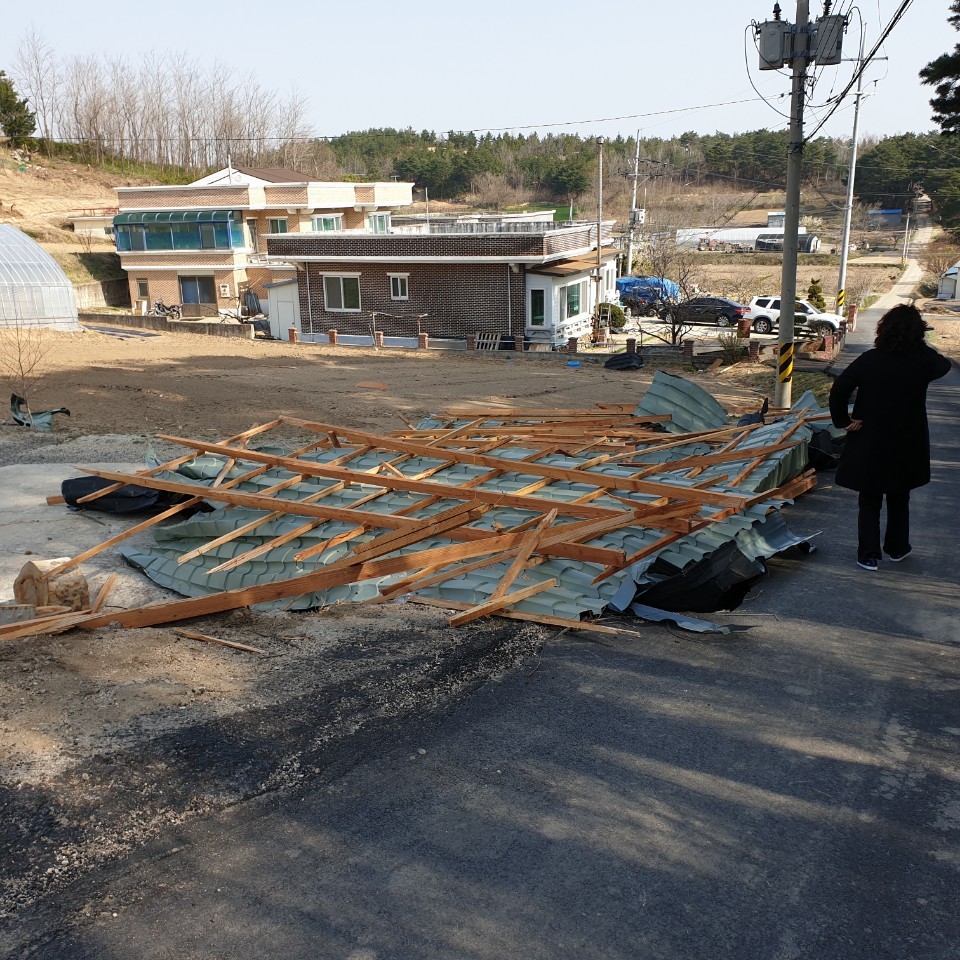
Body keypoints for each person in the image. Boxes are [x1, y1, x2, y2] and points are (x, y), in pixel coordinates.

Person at [829, 304, 951, 571]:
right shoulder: (924, 360)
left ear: (883, 329)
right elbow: (945, 365)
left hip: (870, 438)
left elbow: (839, 389)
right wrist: (920, 343)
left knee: (870, 498)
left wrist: (843, 421)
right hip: (908, 440)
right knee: (900, 495)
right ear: (918, 332)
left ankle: (868, 555)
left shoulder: (870, 359)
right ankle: (897, 548)